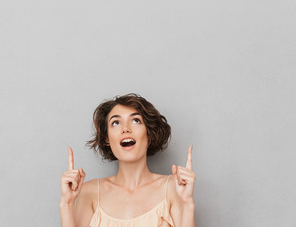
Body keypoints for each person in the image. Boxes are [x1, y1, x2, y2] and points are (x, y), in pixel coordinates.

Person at [60, 93, 196, 227]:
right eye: (116, 123)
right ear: (107, 138)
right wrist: (66, 204)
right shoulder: (90, 192)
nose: (125, 129)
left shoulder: (174, 187)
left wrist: (187, 204)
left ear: (149, 133)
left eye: (136, 120)